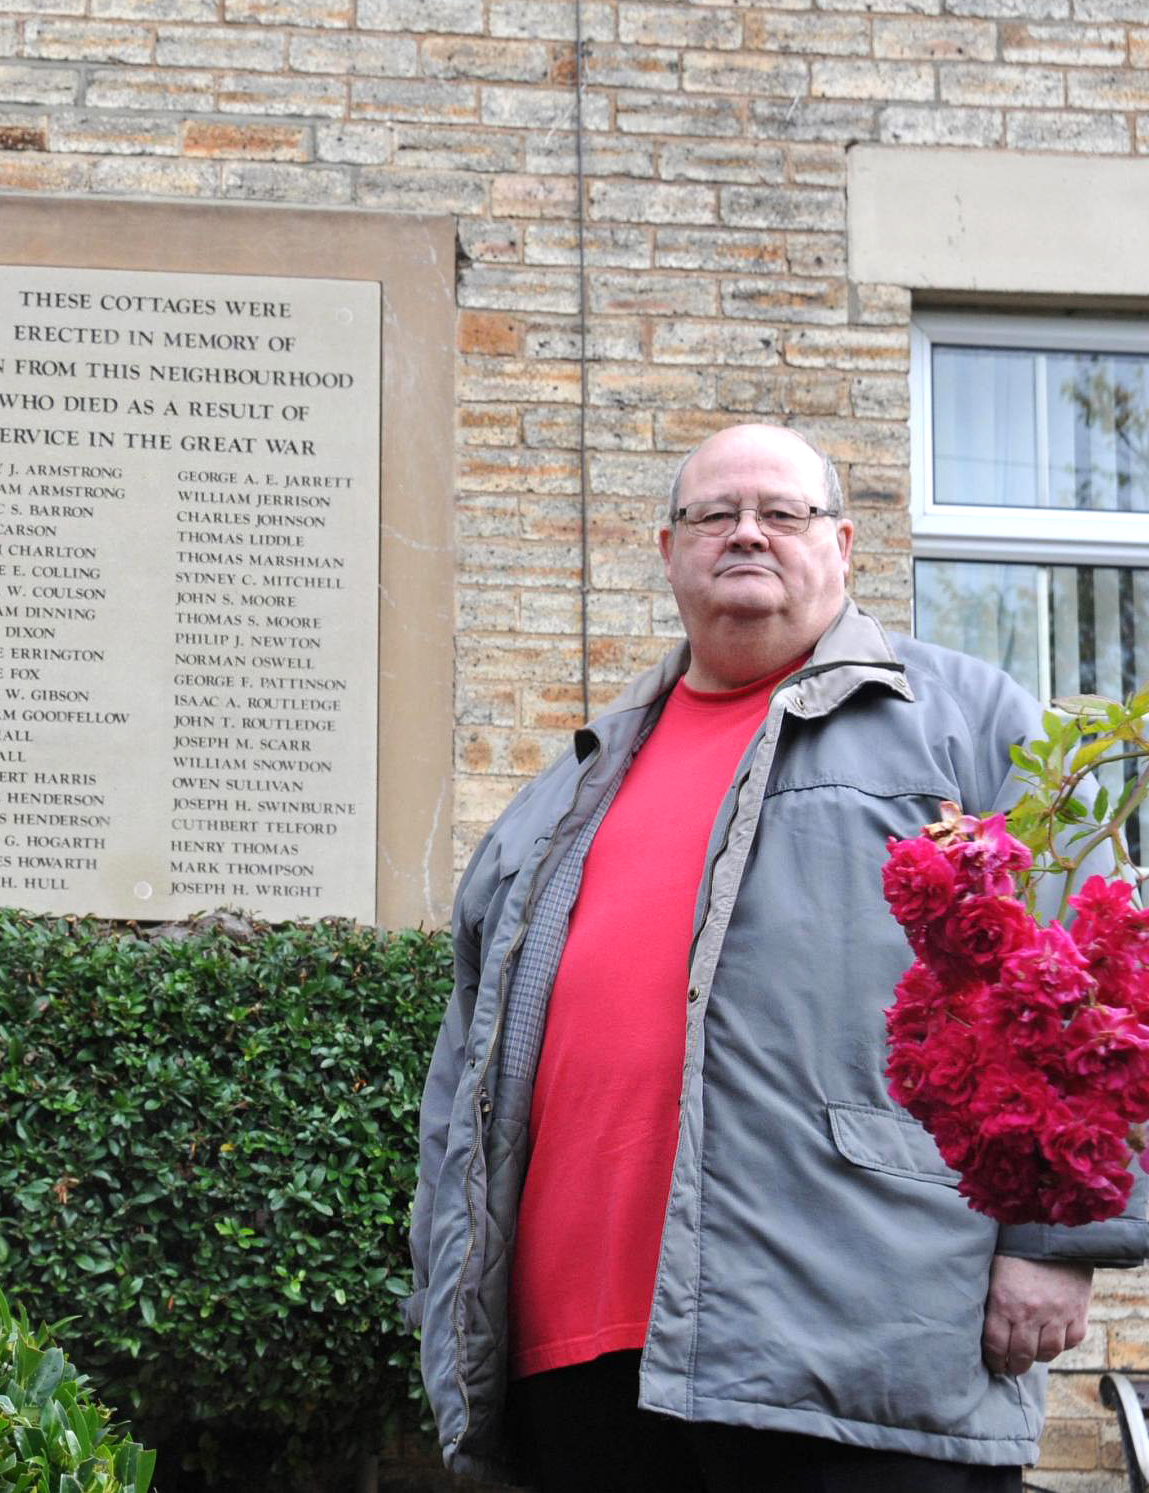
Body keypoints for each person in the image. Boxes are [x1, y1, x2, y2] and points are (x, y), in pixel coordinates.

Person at [408, 422, 1149, 1490]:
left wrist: (1060, 1237)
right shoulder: (560, 795)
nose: (747, 533)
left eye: (782, 513)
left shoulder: (966, 723)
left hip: (858, 1341)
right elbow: (461, 1089)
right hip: (575, 1368)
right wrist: (446, 1288)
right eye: (715, 514)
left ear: (842, 544)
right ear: (667, 550)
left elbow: (1099, 986)